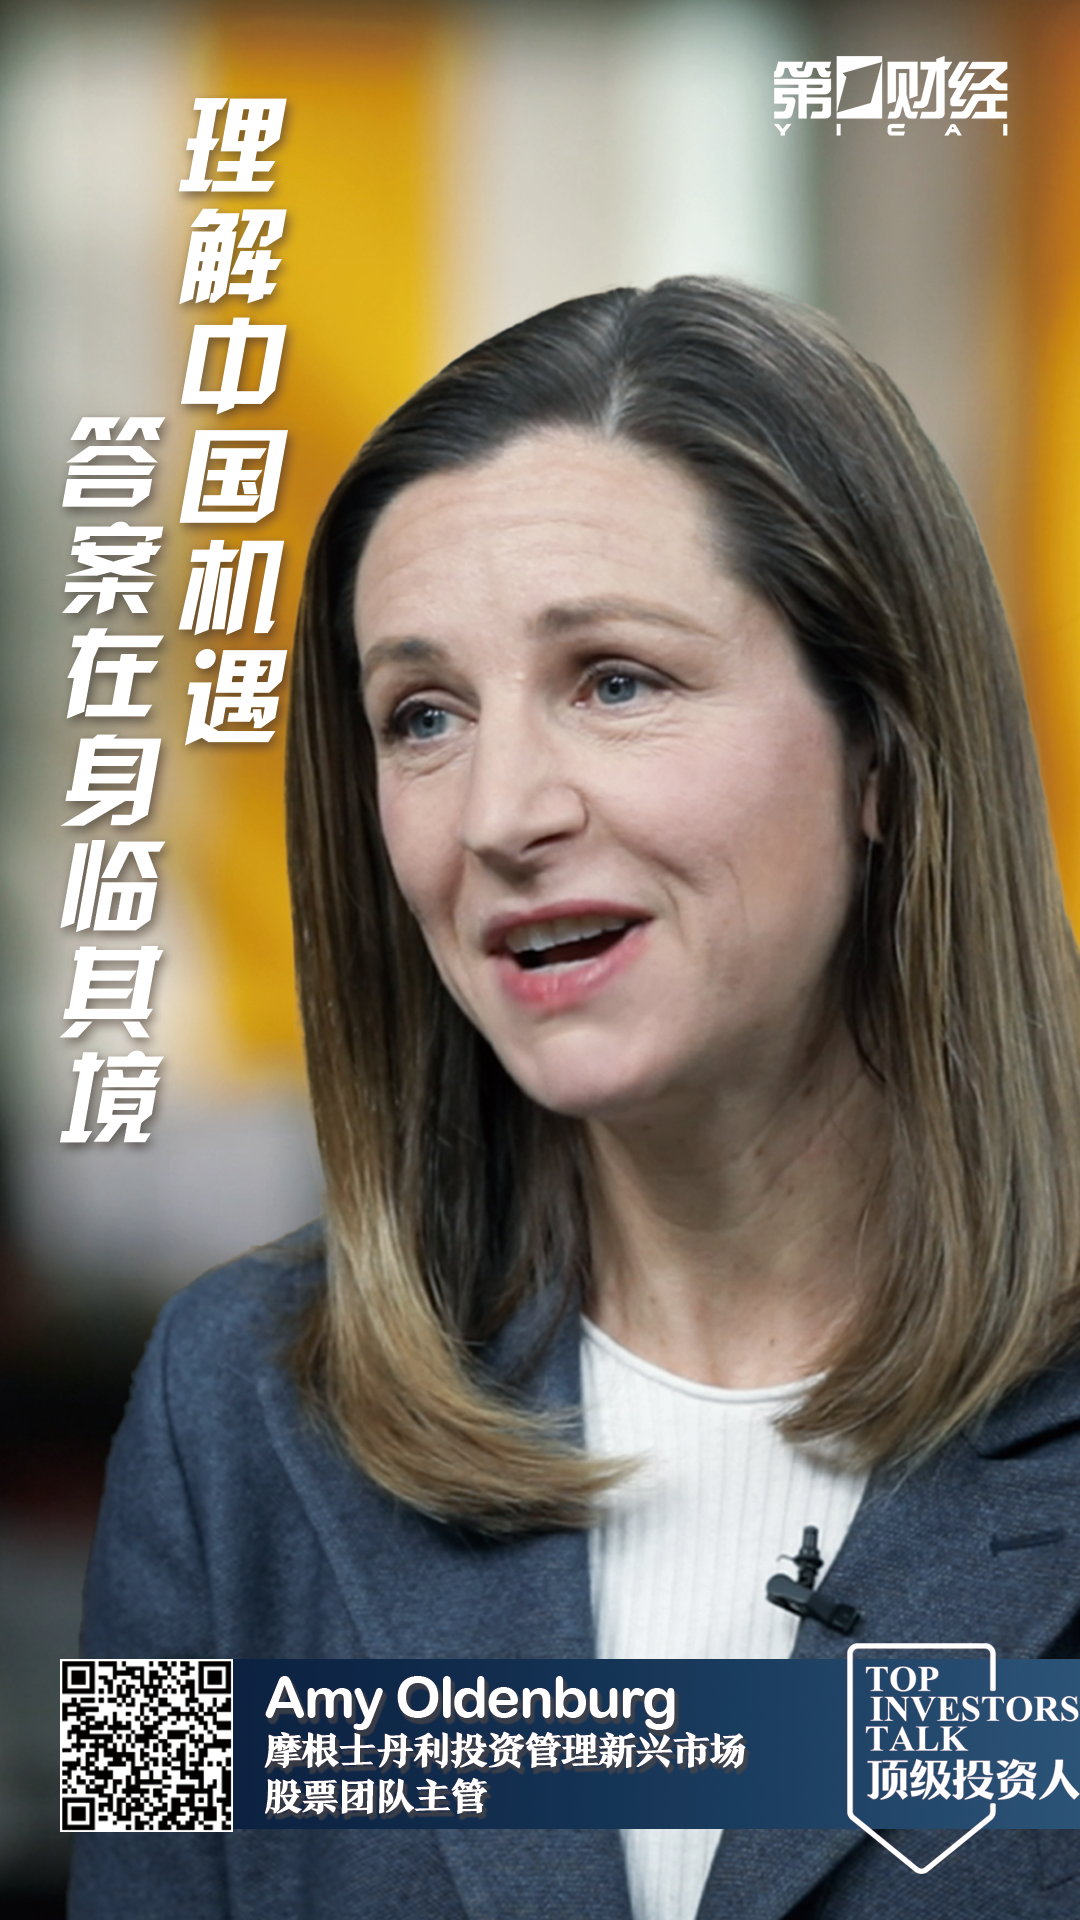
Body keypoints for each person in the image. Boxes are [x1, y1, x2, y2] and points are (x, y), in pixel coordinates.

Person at [71, 277, 1080, 1918]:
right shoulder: (221, 1409)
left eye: (616, 680)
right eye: (423, 717)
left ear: (884, 751)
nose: (500, 814)